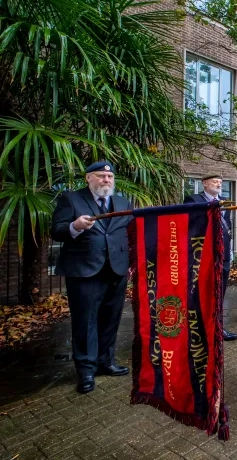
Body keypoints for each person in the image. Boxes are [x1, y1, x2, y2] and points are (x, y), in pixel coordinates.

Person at [51, 161, 133, 394]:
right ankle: (86, 371)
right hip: (84, 270)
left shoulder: (122, 202)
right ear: (88, 178)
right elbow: (56, 230)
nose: (106, 180)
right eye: (100, 176)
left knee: (111, 318)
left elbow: (129, 234)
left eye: (109, 177)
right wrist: (74, 226)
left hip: (116, 270)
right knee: (85, 321)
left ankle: (106, 362)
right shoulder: (72, 199)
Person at [184, 175, 237, 340]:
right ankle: (198, 329)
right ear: (205, 184)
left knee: (219, 292)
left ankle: (217, 328)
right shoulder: (193, 200)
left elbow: (227, 225)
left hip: (223, 254)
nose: (219, 184)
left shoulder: (224, 202)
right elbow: (191, 223)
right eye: (215, 182)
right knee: (202, 292)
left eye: (221, 182)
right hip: (203, 254)